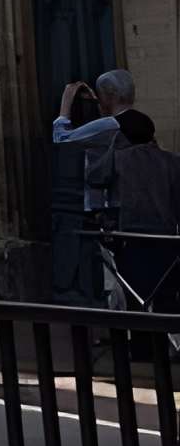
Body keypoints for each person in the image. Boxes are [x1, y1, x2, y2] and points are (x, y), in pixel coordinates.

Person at [50, 70, 134, 304]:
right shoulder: (140, 123)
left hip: (105, 207)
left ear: (109, 95)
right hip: (131, 204)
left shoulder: (109, 125)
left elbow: (62, 139)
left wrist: (66, 103)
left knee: (105, 275)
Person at [107, 109, 179, 310]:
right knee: (166, 299)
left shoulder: (121, 159)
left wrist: (111, 147)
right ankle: (166, 340)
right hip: (166, 240)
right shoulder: (173, 161)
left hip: (133, 239)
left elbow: (96, 176)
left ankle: (141, 341)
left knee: (136, 302)